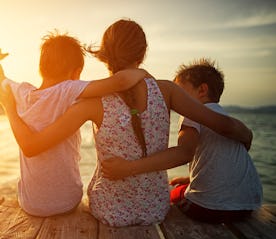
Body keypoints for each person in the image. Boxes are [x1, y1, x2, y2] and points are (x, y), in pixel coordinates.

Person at [0, 20, 253, 227]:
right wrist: (245, 134)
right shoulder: (167, 90)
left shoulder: (92, 102)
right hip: (156, 208)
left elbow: (35, 144)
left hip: (109, 210)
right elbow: (205, 139)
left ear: (104, 55)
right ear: (142, 54)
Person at [0, 31, 146, 217]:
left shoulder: (21, 91)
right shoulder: (68, 89)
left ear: (41, 68)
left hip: (30, 205)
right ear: (75, 73)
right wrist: (141, 72)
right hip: (66, 203)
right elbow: (121, 82)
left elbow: (1, 79)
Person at [102, 58, 263, 223]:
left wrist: (128, 168)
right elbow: (223, 162)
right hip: (247, 206)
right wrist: (192, 178)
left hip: (210, 208)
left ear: (202, 90)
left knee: (169, 195)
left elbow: (185, 153)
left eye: (180, 92)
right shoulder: (223, 116)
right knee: (181, 187)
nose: (175, 100)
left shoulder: (193, 115)